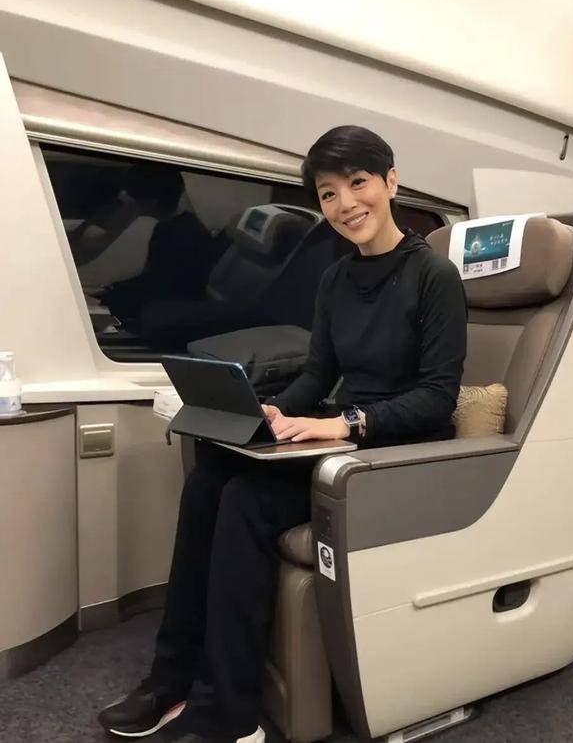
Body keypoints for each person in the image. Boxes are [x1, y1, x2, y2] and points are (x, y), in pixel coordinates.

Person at [97, 126, 467, 743]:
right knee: (209, 481)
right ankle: (172, 676)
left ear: (390, 182)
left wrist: (341, 422)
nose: (346, 203)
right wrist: (273, 411)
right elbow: (318, 373)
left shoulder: (434, 276)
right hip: (345, 439)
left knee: (248, 499)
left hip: (397, 452)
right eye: (328, 193)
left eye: (358, 183)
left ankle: (228, 714)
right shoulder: (336, 279)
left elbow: (437, 397)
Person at [96, 164, 215, 325]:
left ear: (151, 202)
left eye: (132, 194)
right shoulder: (172, 227)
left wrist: (108, 296)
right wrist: (109, 289)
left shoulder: (181, 235)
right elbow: (153, 279)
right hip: (161, 307)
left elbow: (159, 286)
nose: (124, 197)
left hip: (170, 315)